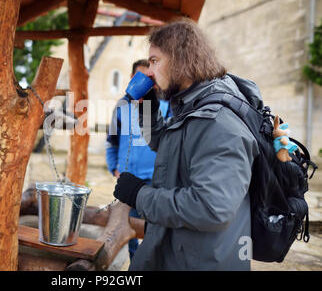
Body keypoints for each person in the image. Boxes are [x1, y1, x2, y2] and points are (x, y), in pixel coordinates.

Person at [113, 19, 260, 271]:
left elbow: (211, 207)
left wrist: (140, 195)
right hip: (174, 251)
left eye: (155, 61)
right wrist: (148, 108)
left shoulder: (219, 122)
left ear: (180, 59)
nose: (149, 72)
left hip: (200, 262)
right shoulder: (192, 107)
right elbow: (165, 145)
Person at [105, 59, 171, 261]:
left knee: (153, 228)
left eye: (149, 77)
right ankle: (135, 262)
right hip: (127, 178)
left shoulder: (165, 105)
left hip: (154, 179)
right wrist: (113, 166)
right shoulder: (121, 106)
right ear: (132, 78)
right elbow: (112, 140)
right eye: (140, 77)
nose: (146, 82)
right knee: (127, 225)